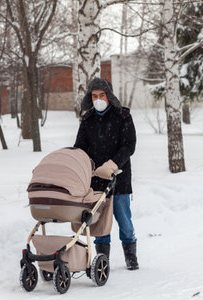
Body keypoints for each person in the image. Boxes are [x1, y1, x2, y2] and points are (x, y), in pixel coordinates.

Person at [73, 77, 138, 270]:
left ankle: (131, 256)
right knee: (100, 221)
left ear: (109, 95)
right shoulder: (87, 119)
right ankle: (103, 260)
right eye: (94, 96)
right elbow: (80, 147)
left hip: (120, 177)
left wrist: (113, 164)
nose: (98, 99)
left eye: (102, 95)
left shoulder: (123, 117)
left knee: (123, 217)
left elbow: (129, 146)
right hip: (96, 180)